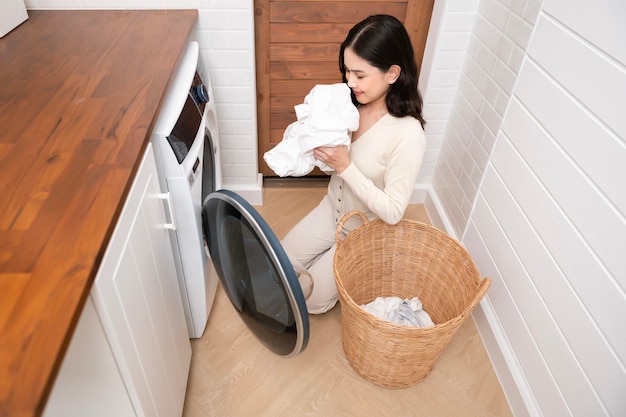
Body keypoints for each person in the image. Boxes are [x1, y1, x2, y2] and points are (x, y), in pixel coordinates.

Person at [281, 14, 427, 314]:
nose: (350, 81)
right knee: (281, 262)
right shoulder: (348, 105)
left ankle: (357, 270)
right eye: (347, 71)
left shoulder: (408, 134)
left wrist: (345, 165)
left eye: (360, 75)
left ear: (392, 73)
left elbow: (393, 212)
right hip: (331, 209)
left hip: (364, 230)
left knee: (313, 301)